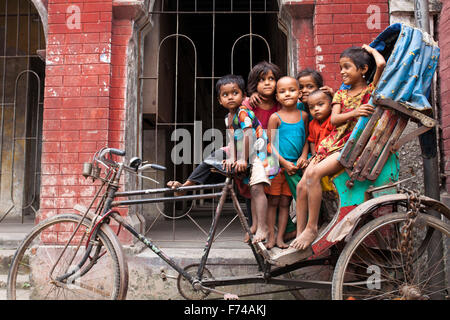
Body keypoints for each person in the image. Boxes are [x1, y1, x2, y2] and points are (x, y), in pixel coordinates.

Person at [290, 45, 386, 250]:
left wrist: (369, 48)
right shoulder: (341, 95)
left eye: (347, 67)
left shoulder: (370, 91)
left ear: (363, 70)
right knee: (301, 185)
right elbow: (334, 119)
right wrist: (355, 112)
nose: (342, 72)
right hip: (333, 144)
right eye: (340, 67)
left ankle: (311, 228)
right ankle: (300, 234)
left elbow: (381, 63)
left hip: (353, 147)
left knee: (313, 175)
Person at [218, 74, 279, 243]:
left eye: (235, 93)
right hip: (251, 156)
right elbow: (231, 138)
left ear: (243, 96)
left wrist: (242, 159)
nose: (230, 97)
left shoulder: (243, 112)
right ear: (220, 100)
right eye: (225, 94)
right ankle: (255, 226)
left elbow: (248, 136)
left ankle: (263, 227)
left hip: (261, 155)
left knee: (257, 191)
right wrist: (231, 158)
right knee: (253, 191)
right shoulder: (228, 118)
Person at [264, 76, 309, 249]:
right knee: (273, 202)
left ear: (299, 93)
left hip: (294, 167)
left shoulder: (304, 115)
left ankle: (281, 237)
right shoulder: (275, 117)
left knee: (285, 204)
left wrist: (303, 156)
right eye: (282, 92)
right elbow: (270, 145)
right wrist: (283, 163)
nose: (287, 94)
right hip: (277, 166)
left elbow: (306, 139)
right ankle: (271, 237)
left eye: (291, 90)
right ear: (277, 97)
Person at [306, 89, 334, 156]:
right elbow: (312, 141)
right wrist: (314, 155)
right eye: (311, 107)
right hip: (318, 155)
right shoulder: (312, 124)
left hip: (331, 155)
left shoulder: (333, 120)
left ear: (331, 105)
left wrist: (333, 94)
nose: (316, 109)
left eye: (320, 104)